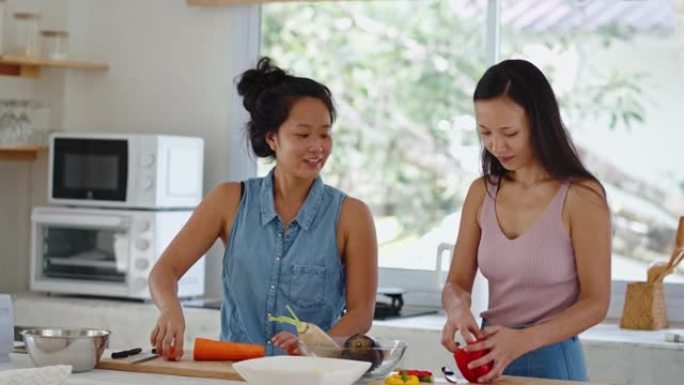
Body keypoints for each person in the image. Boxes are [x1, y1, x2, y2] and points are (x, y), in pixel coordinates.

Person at [149, 57, 378, 359]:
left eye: (324, 134)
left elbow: (361, 313)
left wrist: (316, 345)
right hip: (236, 372)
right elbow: (165, 271)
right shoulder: (228, 200)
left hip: (311, 376)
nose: (318, 146)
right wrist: (171, 309)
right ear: (272, 138)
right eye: (303, 134)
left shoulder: (351, 215)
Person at [441, 59, 611, 383]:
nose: (496, 145)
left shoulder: (581, 197)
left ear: (539, 122)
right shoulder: (482, 192)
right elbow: (456, 283)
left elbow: (597, 302)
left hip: (553, 363)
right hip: (489, 361)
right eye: (485, 132)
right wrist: (457, 309)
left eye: (509, 132)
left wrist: (523, 341)